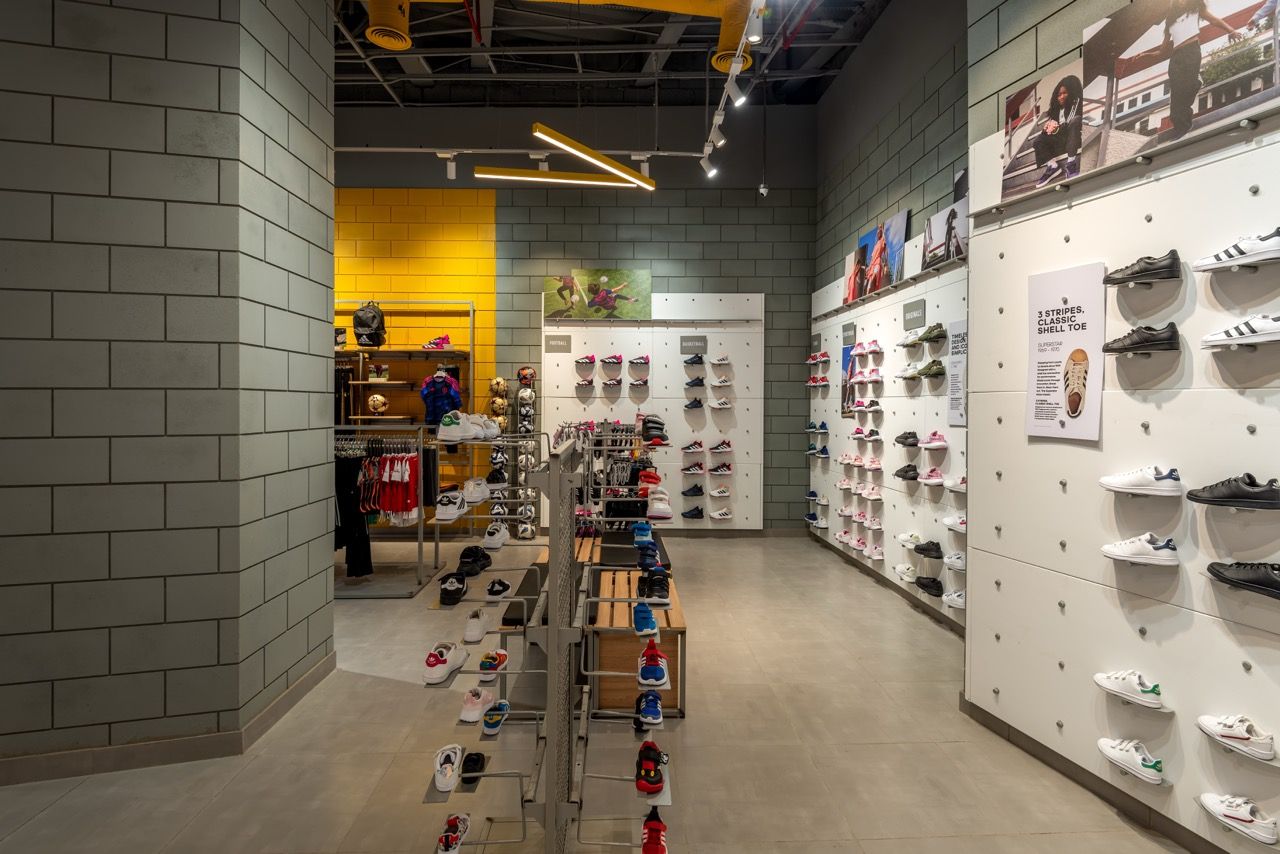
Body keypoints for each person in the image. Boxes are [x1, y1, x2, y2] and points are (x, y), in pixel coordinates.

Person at [1149, 0, 1242, 140]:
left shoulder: (1195, 9)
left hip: (1191, 51)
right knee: (1175, 94)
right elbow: (1162, 51)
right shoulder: (1170, 20)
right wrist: (1145, 56)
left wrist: (1232, 30)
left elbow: (1214, 20)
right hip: (1176, 57)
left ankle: (1185, 125)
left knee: (1186, 89)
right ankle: (1179, 126)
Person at [1033, 76, 1084, 188]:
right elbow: (1057, 130)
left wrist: (1056, 128)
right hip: (1061, 142)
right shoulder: (1056, 110)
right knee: (1038, 140)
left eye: (1064, 93)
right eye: (1058, 95)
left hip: (1073, 139)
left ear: (1071, 92)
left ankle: (1071, 163)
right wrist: (1048, 129)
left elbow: (1069, 124)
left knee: (1075, 120)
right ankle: (1052, 166)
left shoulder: (1076, 103)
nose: (1061, 97)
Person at [864, 225, 888, 295]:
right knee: (869, 285)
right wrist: (868, 268)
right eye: (877, 232)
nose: (877, 233)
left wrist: (882, 228)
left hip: (877, 263)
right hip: (872, 265)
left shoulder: (882, 241)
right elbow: (872, 258)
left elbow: (886, 250)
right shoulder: (875, 245)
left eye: (879, 232)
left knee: (874, 278)